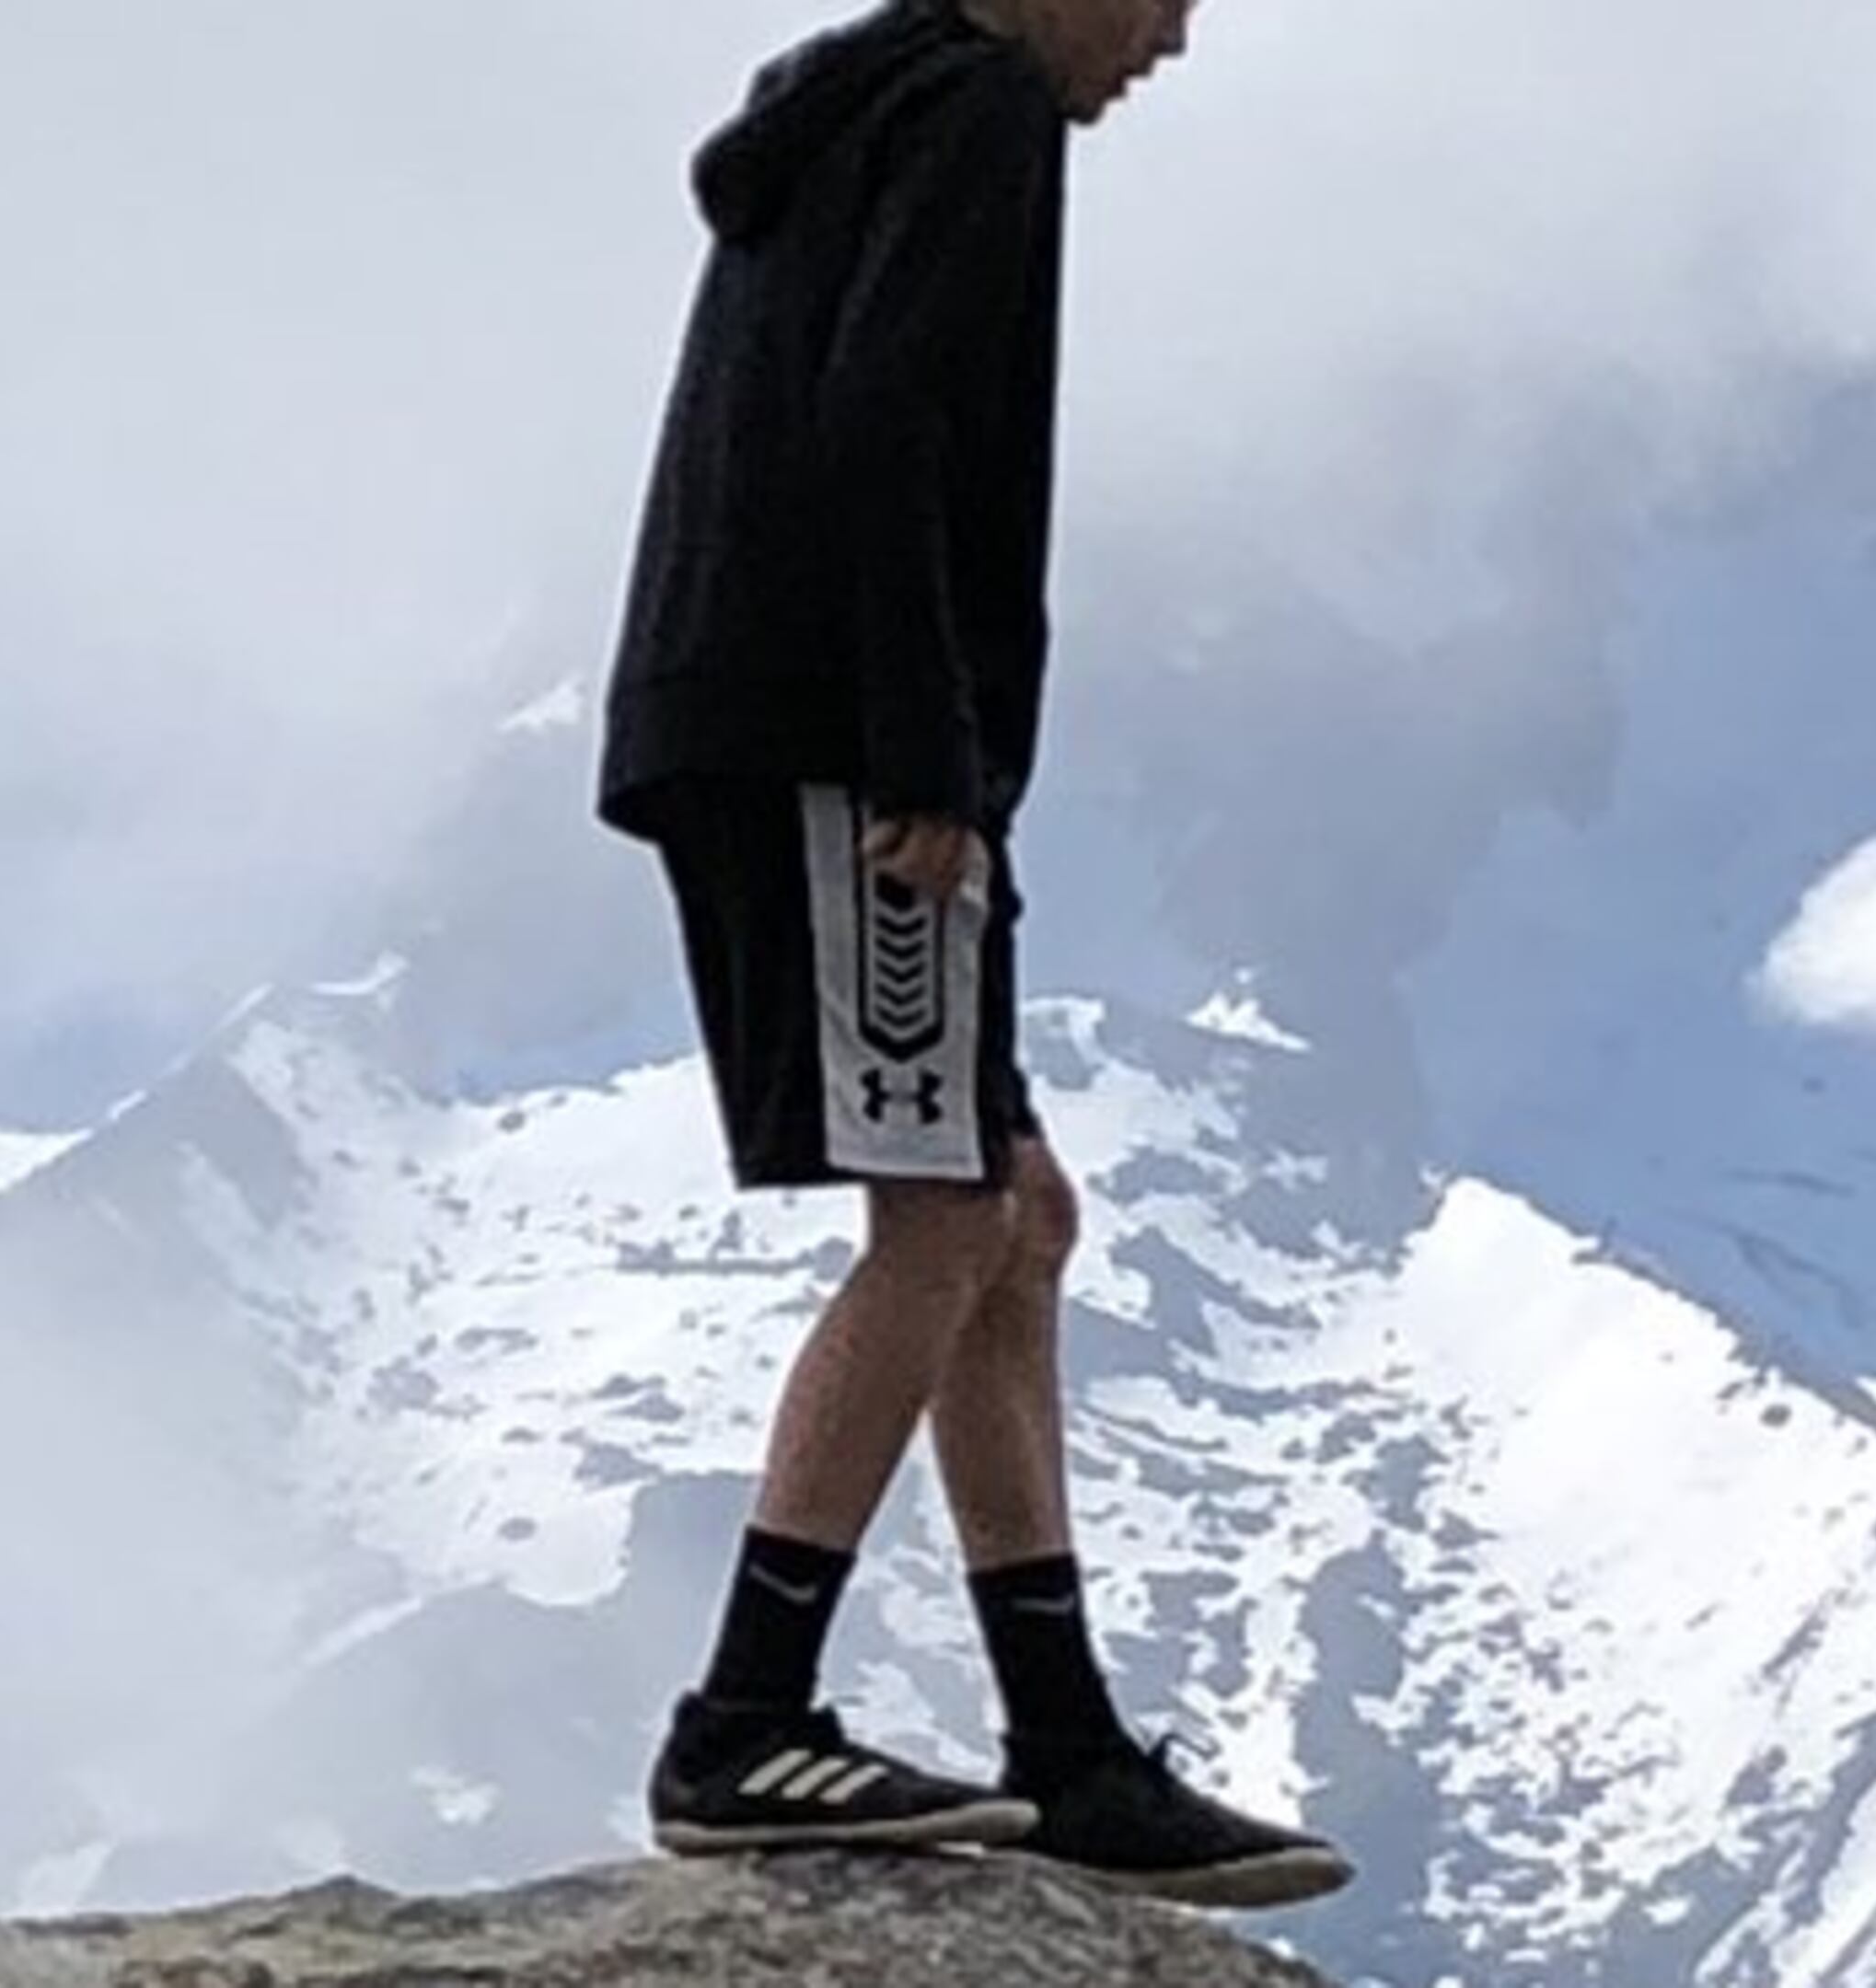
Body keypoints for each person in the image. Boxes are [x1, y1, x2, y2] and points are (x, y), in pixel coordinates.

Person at [592, 0, 1354, 1914]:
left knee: (1013, 1209)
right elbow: (884, 419)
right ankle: (744, 1721)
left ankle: (1069, 1750)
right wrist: (929, 759)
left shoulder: (873, 110)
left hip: (772, 716)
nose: (1176, 37)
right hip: (834, 739)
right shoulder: (979, 106)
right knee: (942, 1215)